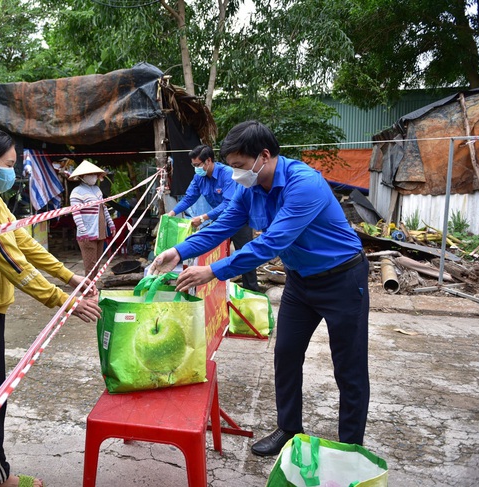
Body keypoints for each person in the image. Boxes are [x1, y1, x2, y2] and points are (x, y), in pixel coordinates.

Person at [151, 120, 369, 457]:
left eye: (239, 166)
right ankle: (289, 429)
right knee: (285, 354)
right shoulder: (249, 188)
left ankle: (351, 449)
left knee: (348, 367)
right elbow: (223, 225)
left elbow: (270, 244)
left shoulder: (304, 185)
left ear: (263, 156)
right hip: (300, 281)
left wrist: (213, 271)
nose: (235, 173)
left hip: (341, 279)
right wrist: (180, 250)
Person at [0, 127, 102, 487]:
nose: (14, 171)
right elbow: (15, 266)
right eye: (9, 164)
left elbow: (24, 245)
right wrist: (64, 302)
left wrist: (69, 277)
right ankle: (1, 477)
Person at [166, 144, 259, 291]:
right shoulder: (199, 177)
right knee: (214, 254)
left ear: (208, 161)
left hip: (239, 220)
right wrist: (171, 213)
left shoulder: (227, 174)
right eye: (193, 165)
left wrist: (203, 218)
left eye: (197, 165)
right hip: (220, 221)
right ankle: (219, 292)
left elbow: (228, 204)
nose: (195, 168)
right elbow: (189, 198)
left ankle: (252, 291)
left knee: (245, 254)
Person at [69, 160, 115, 278]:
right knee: (90, 265)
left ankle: (92, 287)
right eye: (91, 174)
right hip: (87, 234)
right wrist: (83, 231)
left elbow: (103, 209)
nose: (94, 177)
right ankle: (88, 290)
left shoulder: (97, 190)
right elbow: (76, 213)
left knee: (97, 264)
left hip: (100, 232)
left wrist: (111, 224)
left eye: (95, 174)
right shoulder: (77, 192)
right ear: (82, 176)